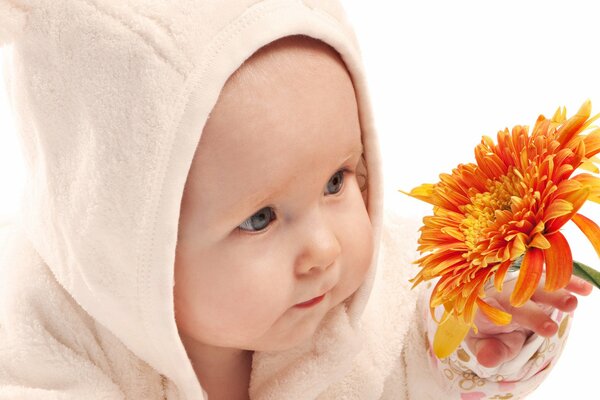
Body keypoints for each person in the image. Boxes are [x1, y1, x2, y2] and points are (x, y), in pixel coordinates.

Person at [0, 1, 592, 399]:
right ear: (124, 239)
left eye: (337, 180)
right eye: (260, 218)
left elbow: (422, 357)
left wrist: (476, 328)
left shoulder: (365, 288)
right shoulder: (39, 345)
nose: (324, 248)